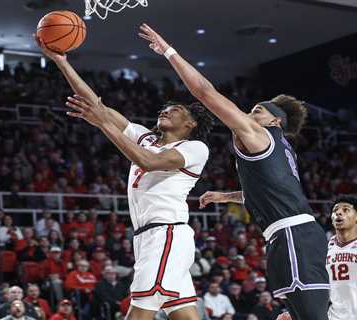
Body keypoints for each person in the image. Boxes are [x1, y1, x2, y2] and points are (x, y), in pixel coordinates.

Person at [138, 23, 330, 320]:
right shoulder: (279, 148)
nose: (249, 114)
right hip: (288, 235)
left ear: (274, 122)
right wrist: (226, 195)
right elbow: (270, 189)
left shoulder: (258, 133)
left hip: (295, 236)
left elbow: (204, 92)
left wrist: (169, 51)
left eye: (257, 111)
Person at [38, 32, 213, 320]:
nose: (166, 110)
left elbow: (147, 161)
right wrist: (62, 62)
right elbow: (99, 107)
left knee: (137, 313)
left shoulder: (194, 148)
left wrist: (104, 125)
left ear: (191, 123)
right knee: (183, 315)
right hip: (148, 236)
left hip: (166, 233)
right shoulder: (145, 137)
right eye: (164, 108)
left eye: (176, 109)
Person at [278, 195, 357, 320]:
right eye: (335, 210)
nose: (338, 213)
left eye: (345, 210)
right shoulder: (326, 247)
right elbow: (318, 286)